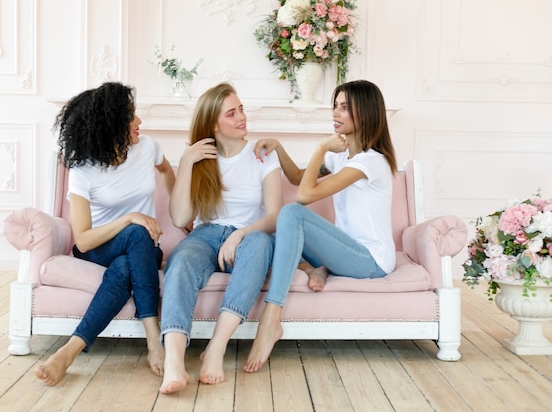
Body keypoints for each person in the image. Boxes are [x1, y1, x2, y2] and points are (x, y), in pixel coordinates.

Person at [244, 79, 398, 373]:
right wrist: (278, 148)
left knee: (290, 214)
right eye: (335, 106)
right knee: (274, 235)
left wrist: (319, 148)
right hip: (346, 252)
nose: (336, 113)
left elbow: (303, 196)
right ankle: (316, 268)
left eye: (344, 108)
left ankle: (270, 318)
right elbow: (298, 178)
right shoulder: (341, 156)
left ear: (364, 113)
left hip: (371, 260)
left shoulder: (370, 162)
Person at [34, 82, 175, 386]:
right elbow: (83, 239)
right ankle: (153, 335)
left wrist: (179, 214)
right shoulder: (83, 169)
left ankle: (69, 351)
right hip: (97, 249)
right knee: (137, 230)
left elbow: (166, 172)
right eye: (131, 117)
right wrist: (129, 218)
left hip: (142, 250)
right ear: (110, 125)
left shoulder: (148, 147)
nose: (139, 123)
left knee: (128, 262)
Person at [159, 82, 282, 394]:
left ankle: (215, 348)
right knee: (183, 258)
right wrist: (186, 161)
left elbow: (274, 216)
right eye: (232, 113)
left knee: (259, 244)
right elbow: (180, 219)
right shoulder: (200, 159)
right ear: (214, 123)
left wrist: (240, 233)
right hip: (206, 236)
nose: (242, 117)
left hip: (250, 236)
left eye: (241, 109)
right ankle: (174, 359)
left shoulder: (262, 155)